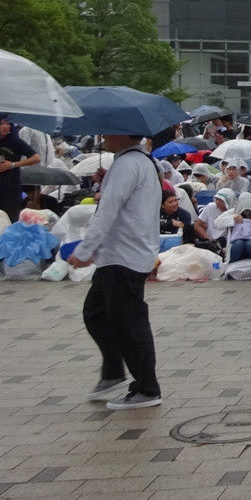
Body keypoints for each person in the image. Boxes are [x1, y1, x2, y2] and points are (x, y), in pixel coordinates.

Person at [69, 132, 164, 409]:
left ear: (124, 133)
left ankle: (147, 388)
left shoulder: (127, 164)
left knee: (130, 323)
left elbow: (107, 211)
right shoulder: (142, 161)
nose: (104, 137)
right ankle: (113, 371)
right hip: (120, 254)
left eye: (109, 132)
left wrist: (84, 250)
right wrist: (108, 179)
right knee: (96, 313)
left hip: (124, 254)